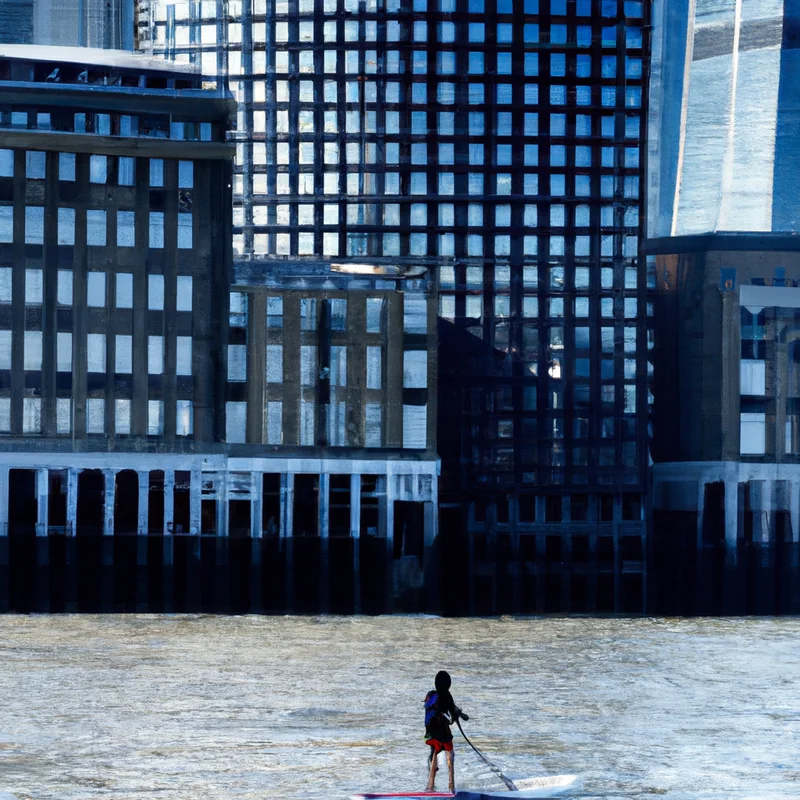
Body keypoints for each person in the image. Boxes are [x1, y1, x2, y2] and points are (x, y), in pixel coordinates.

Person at [424, 670, 468, 793]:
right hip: (443, 732)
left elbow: (431, 711)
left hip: (430, 732)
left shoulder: (430, 695)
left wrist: (458, 714)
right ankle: (451, 787)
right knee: (450, 755)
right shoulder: (447, 696)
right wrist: (457, 716)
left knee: (434, 754)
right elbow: (450, 717)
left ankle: (430, 786)